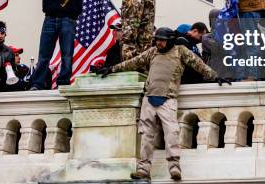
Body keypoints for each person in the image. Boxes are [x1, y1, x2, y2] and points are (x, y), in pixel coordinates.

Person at [96, 27, 229, 181]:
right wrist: (112, 69)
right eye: (157, 39)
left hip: (168, 99)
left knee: (172, 134)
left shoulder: (181, 51)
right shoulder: (152, 52)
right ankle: (143, 170)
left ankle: (174, 169)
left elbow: (198, 64)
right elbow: (133, 62)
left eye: (162, 40)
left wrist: (215, 76)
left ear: (170, 40)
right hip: (149, 99)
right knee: (146, 136)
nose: (159, 42)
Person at [32, 0, 90, 89]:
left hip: (68, 18)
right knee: (44, 55)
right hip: (50, 17)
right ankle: (38, 83)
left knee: (66, 54)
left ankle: (63, 83)